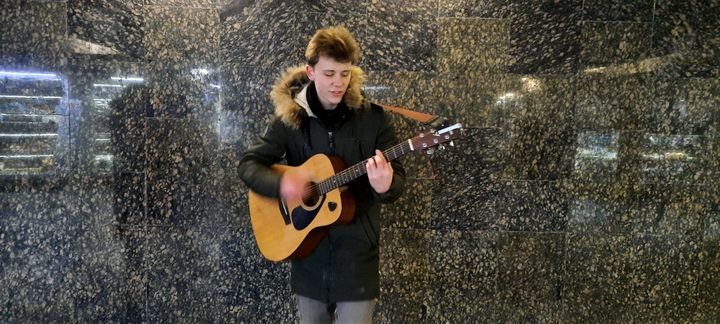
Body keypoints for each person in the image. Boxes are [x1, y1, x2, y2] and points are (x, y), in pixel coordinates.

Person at [238, 26, 406, 323]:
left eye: (345, 73)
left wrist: (387, 185)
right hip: (307, 257)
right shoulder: (291, 118)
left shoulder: (373, 119)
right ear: (311, 71)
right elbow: (249, 165)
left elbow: (398, 180)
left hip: (357, 259)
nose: (338, 83)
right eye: (329, 74)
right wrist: (282, 183)